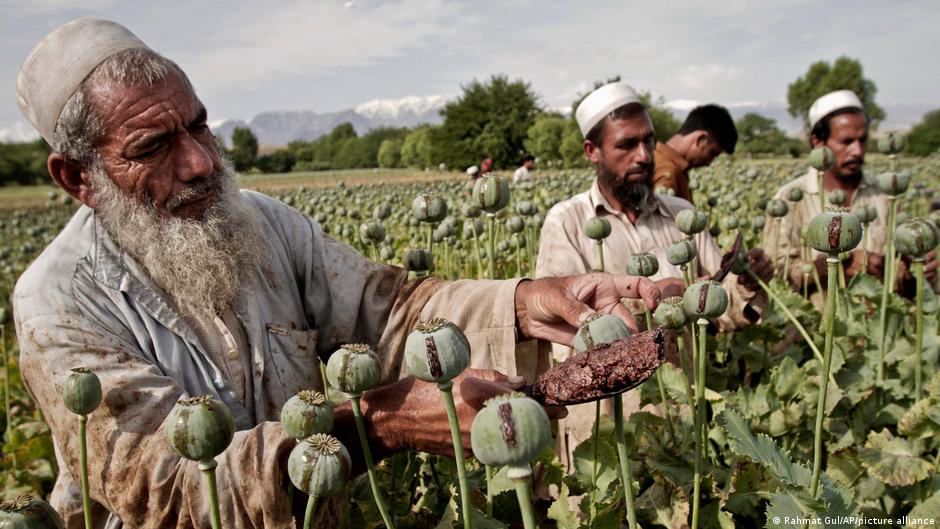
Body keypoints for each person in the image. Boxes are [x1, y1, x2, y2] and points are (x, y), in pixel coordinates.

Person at [12, 19, 661, 528]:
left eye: (200, 125)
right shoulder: (58, 302)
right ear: (78, 178)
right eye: (153, 147)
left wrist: (521, 301)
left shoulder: (260, 221)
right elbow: (172, 489)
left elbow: (392, 309)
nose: (200, 163)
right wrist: (377, 425)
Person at [535, 82, 772, 466]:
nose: (644, 156)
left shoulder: (682, 215)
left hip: (680, 416)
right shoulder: (567, 221)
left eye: (649, 141)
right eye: (626, 145)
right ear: (592, 152)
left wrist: (745, 282)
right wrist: (651, 297)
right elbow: (560, 327)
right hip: (607, 432)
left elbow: (720, 309)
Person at [762, 89, 937, 293]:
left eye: (862, 140)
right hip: (813, 323)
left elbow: (899, 274)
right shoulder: (790, 198)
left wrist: (913, 273)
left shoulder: (884, 195)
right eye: (847, 142)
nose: (857, 151)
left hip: (877, 319)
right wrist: (837, 262)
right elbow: (776, 274)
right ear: (818, 142)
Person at [652, 104, 738, 203]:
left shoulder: (657, 160)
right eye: (713, 153)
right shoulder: (668, 174)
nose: (709, 163)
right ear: (700, 139)